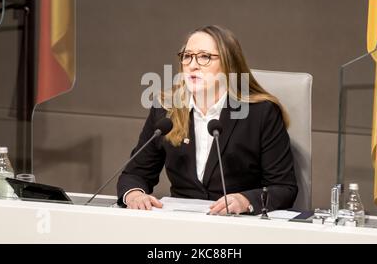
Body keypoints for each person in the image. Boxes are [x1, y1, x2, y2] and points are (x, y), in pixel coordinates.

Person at [117, 25, 298, 215]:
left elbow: (284, 188)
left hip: (239, 225)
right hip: (181, 224)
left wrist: (245, 200)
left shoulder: (260, 113)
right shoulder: (167, 109)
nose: (192, 65)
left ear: (229, 64)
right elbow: (135, 174)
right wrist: (135, 194)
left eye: (204, 57)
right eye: (187, 56)